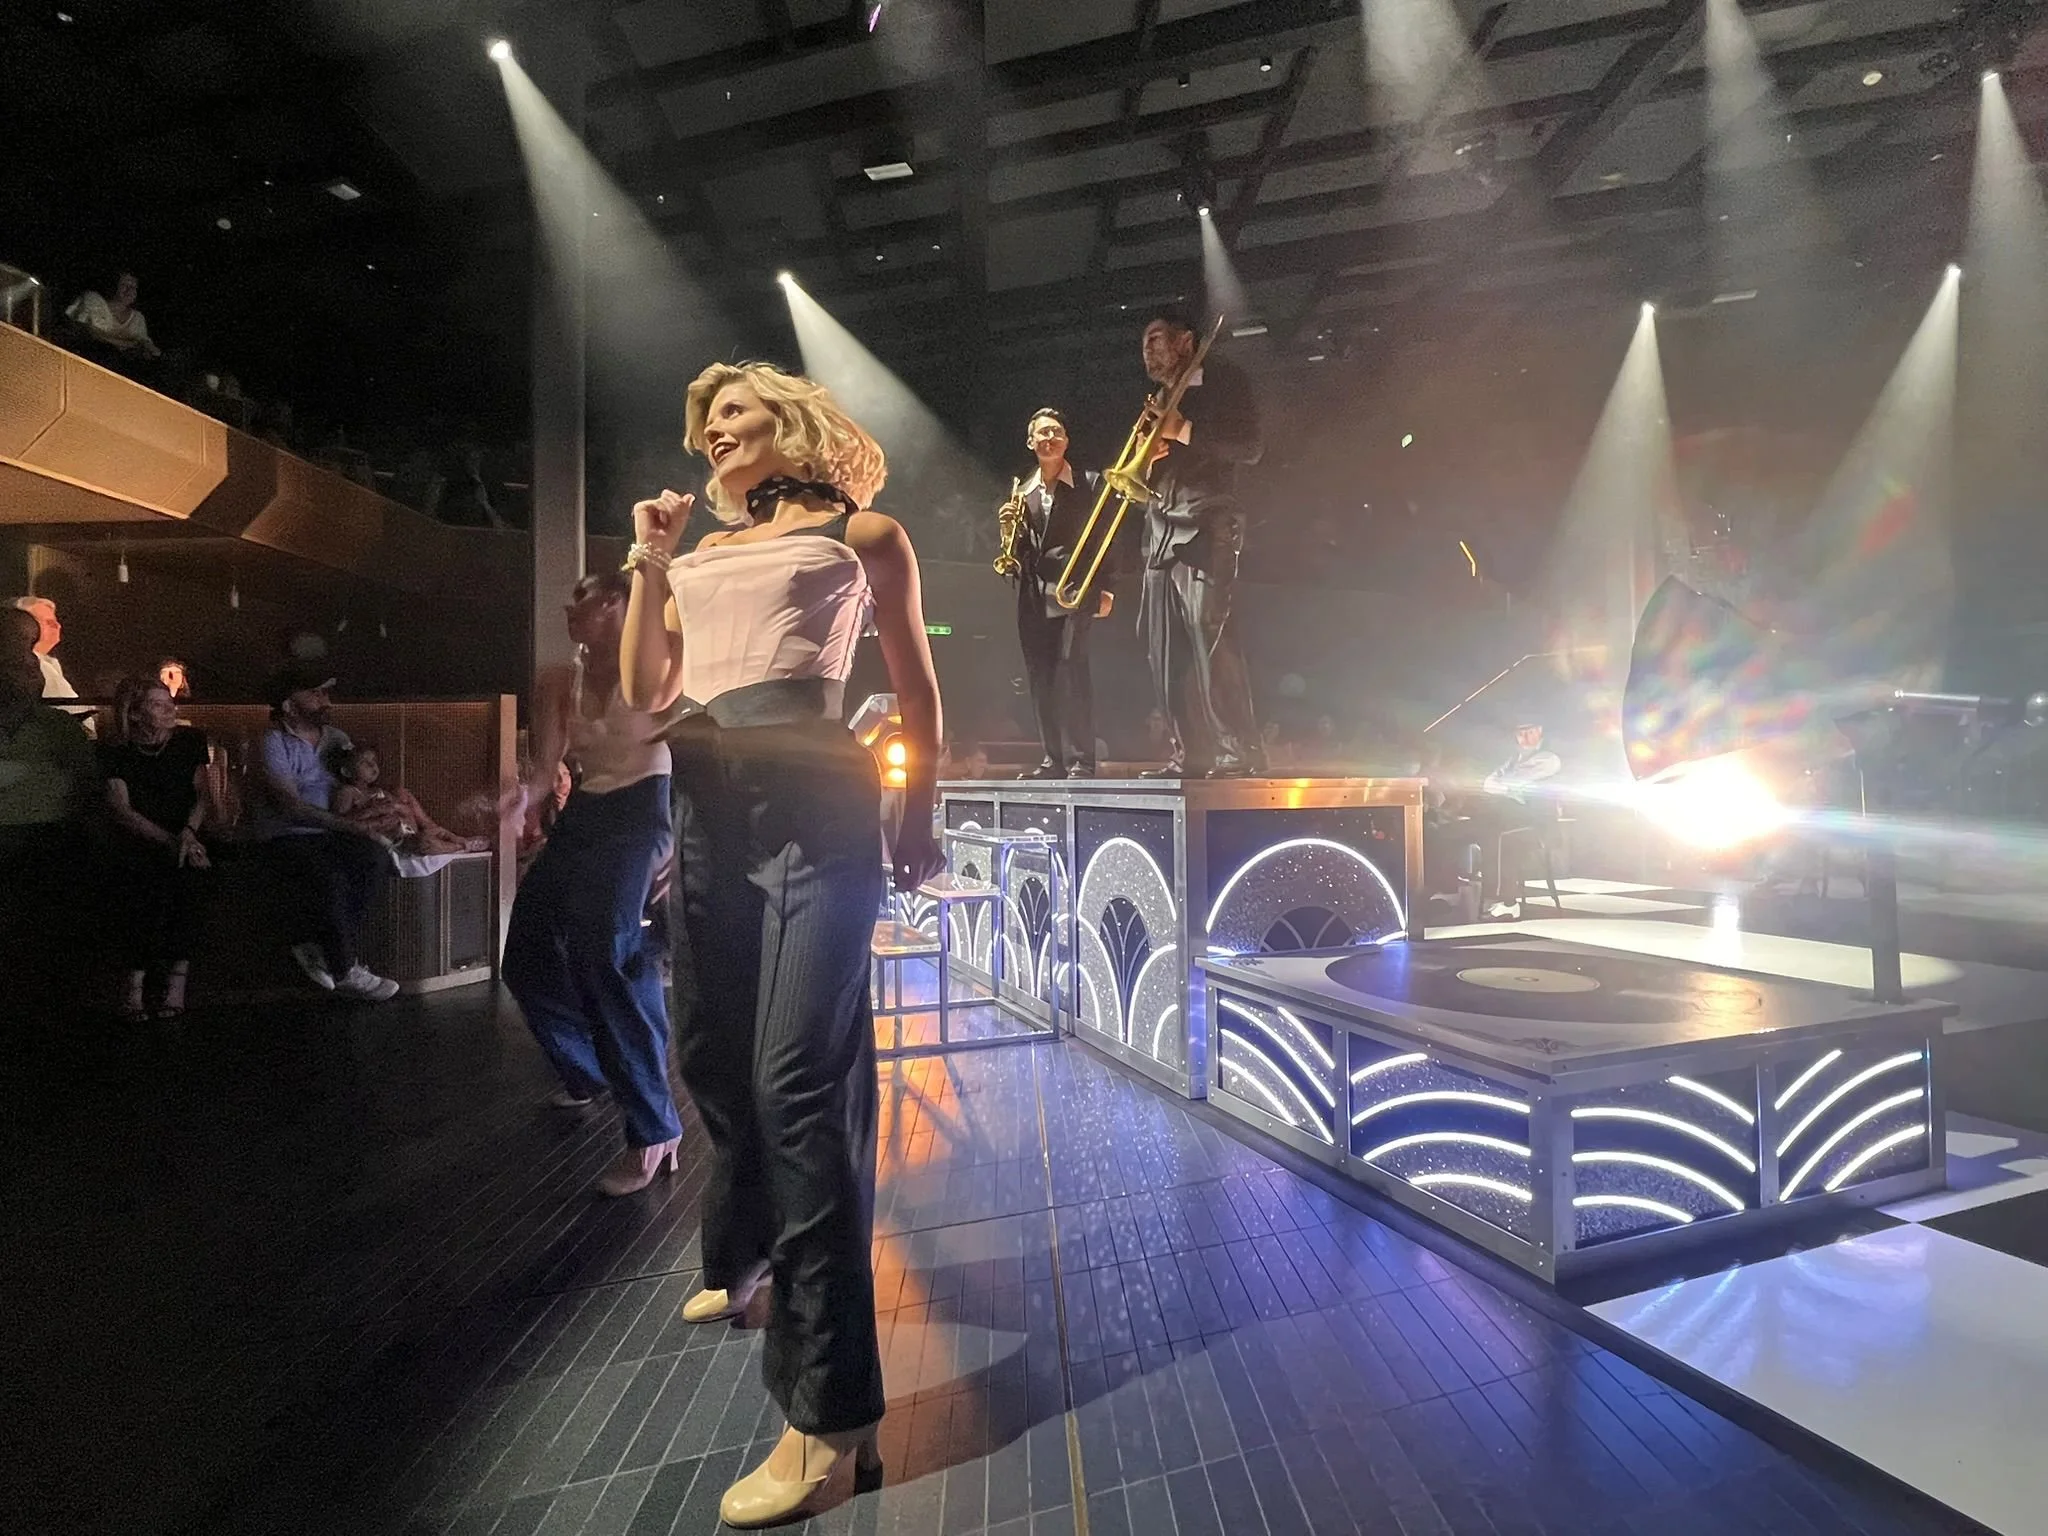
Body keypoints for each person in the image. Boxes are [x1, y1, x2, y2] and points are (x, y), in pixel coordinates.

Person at [620, 361, 944, 1528]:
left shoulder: (864, 537)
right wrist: (648, 557)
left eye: (732, 410)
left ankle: (831, 1416)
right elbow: (644, 690)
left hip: (816, 812)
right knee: (709, 1054)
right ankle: (748, 1247)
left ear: (788, 423)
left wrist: (917, 814)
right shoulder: (698, 555)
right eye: (704, 419)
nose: (712, 430)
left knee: (795, 1086)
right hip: (708, 811)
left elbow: (915, 688)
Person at [503, 571, 682, 1195]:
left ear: (619, 604)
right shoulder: (559, 678)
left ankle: (654, 1128)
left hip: (645, 810)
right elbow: (546, 766)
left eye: (584, 598)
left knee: (607, 956)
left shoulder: (660, 664)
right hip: (587, 812)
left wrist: (682, 837)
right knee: (526, 953)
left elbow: (698, 752)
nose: (569, 608)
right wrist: (519, 799)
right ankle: (590, 1070)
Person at [1133, 307, 1266, 778]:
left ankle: (1239, 750)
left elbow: (1250, 448)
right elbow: (1145, 478)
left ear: (1185, 342)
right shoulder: (1158, 398)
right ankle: (1189, 753)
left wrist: (1183, 431)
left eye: (1155, 339)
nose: (1147, 350)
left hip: (1207, 521)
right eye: (1145, 343)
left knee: (1209, 635)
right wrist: (1148, 457)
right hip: (1160, 531)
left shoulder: (1224, 382)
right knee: (1162, 648)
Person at [247, 663, 399, 1001]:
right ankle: (344, 969)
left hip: (333, 831)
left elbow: (357, 784)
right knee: (330, 876)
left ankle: (319, 949)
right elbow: (290, 805)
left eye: (325, 693)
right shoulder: (272, 741)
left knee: (376, 859)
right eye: (315, 694)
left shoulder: (338, 739)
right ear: (289, 704)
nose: (325, 700)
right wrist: (353, 826)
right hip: (287, 835)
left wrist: (378, 811)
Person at [99, 675, 216, 1021]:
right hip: (139, 836)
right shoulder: (114, 751)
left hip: (186, 831)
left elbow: (202, 795)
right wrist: (173, 842)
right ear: (134, 713)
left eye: (169, 703)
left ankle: (176, 980)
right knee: (142, 882)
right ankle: (135, 981)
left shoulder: (190, 740)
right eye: (157, 704)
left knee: (191, 882)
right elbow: (122, 810)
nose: (169, 710)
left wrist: (189, 835)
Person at [1006, 408, 1115, 779]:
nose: (1049, 438)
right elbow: (1020, 552)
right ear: (1030, 442)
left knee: (1072, 672)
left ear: (1066, 440)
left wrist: (1108, 587)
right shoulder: (1022, 491)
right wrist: (1009, 536)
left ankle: (1082, 759)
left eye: (1056, 432)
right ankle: (1052, 759)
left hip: (1074, 590)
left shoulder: (1090, 482)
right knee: (1041, 678)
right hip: (1034, 596)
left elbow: (1108, 536)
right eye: (1042, 433)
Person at [0, 607, 98, 1019]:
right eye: (20, 662)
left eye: (31, 663)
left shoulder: (58, 727)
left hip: (51, 840)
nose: (32, 672)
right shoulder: (56, 728)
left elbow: (85, 785)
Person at [1473, 721, 1563, 917]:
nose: (1525, 738)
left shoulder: (1549, 759)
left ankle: (1506, 902)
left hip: (1539, 824)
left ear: (1540, 731)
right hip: (1512, 817)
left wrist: (1503, 786)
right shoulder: (1513, 759)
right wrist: (1504, 787)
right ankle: (1442, 889)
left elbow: (1511, 782)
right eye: (1521, 733)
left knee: (1500, 837)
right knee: (1473, 829)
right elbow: (1488, 783)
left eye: (1529, 732)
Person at [332, 744, 466, 854]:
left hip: (408, 831)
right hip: (395, 841)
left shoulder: (377, 791)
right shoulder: (348, 791)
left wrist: (396, 807)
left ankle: (453, 838)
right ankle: (459, 847)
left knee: (402, 793)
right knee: (425, 843)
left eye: (374, 761)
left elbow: (401, 809)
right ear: (347, 772)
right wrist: (375, 810)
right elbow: (342, 822)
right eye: (364, 763)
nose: (372, 766)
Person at [64, 272, 161, 361]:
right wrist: (126, 344)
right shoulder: (93, 301)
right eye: (124, 285)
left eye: (133, 287)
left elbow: (143, 344)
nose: (130, 290)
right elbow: (89, 333)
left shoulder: (138, 318)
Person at [10, 597, 79, 704]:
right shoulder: (18, 667)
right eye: (48, 622)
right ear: (25, 626)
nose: (58, 626)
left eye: (56, 621)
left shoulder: (51, 663)